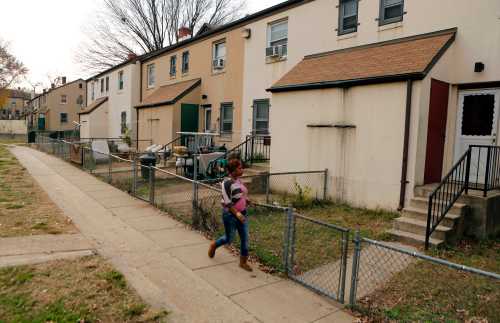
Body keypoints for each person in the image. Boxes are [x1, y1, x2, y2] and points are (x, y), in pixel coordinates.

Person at [208, 159, 252, 271]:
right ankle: (214, 245)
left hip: (243, 213)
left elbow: (241, 195)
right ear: (232, 171)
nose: (242, 170)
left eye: (241, 167)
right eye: (239, 168)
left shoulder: (239, 181)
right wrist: (237, 214)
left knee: (245, 238)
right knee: (229, 238)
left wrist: (246, 200)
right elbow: (227, 202)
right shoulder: (227, 183)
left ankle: (243, 262)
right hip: (230, 215)